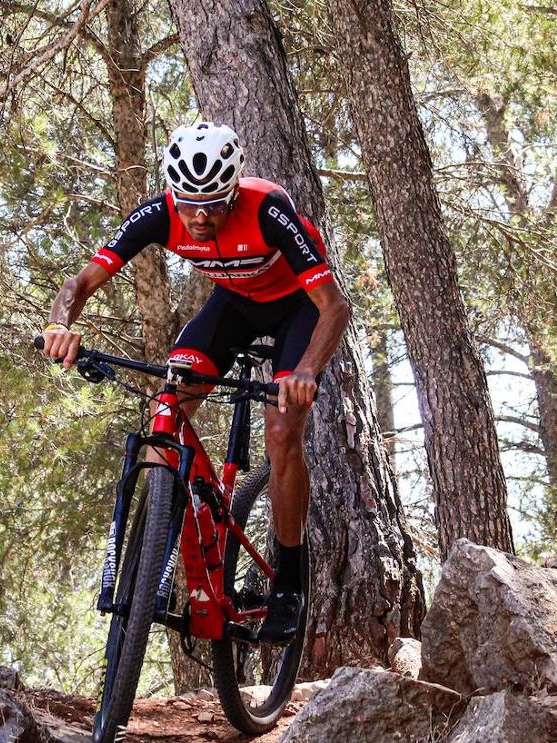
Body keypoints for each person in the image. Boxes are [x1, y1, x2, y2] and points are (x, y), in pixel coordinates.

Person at [41, 122, 349, 642]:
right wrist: (59, 325)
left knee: (280, 434)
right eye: (189, 204)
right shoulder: (158, 214)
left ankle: (290, 582)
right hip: (233, 307)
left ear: (233, 193)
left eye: (213, 204)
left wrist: (305, 372)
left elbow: (333, 306)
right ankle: (164, 539)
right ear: (173, 195)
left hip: (296, 310)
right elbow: (81, 283)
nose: (200, 216)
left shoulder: (269, 212)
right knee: (167, 406)